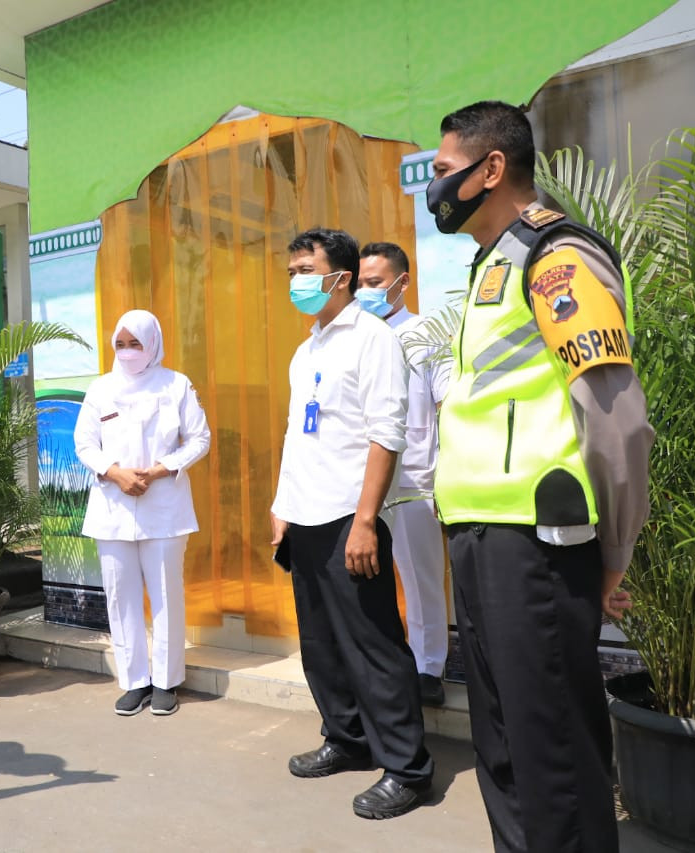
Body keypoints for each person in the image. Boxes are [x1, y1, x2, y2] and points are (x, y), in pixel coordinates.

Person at [427, 100, 654, 853]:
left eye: (441, 171)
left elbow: (616, 416)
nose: (434, 189)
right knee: (504, 751)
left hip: (537, 546)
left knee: (552, 755)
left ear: (491, 169)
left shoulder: (556, 256)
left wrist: (613, 551)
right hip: (483, 539)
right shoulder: (492, 263)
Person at [271, 227, 434, 819]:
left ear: (339, 275)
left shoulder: (373, 339)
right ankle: (347, 740)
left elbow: (385, 433)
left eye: (305, 270)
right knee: (319, 643)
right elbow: (297, 434)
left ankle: (408, 768)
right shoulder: (307, 348)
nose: (296, 282)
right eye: (290, 272)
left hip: (349, 515)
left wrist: (367, 520)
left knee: (374, 644)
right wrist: (282, 507)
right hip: (306, 514)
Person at [73, 309, 210, 716]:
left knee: (167, 595)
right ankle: (134, 682)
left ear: (153, 344)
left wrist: (161, 468)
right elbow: (85, 444)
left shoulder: (176, 384)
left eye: (136, 343)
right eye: (121, 343)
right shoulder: (100, 388)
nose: (129, 352)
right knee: (121, 597)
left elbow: (199, 438)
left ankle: (166, 682)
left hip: (164, 505)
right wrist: (114, 473)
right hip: (112, 508)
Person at [356, 242, 451, 707]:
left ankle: (429, 667)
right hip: (364, 484)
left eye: (375, 283)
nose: (365, 292)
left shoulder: (426, 334)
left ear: (402, 282)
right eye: (360, 284)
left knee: (420, 577)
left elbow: (445, 406)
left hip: (414, 479)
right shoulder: (355, 339)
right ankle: (386, 666)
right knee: (368, 580)